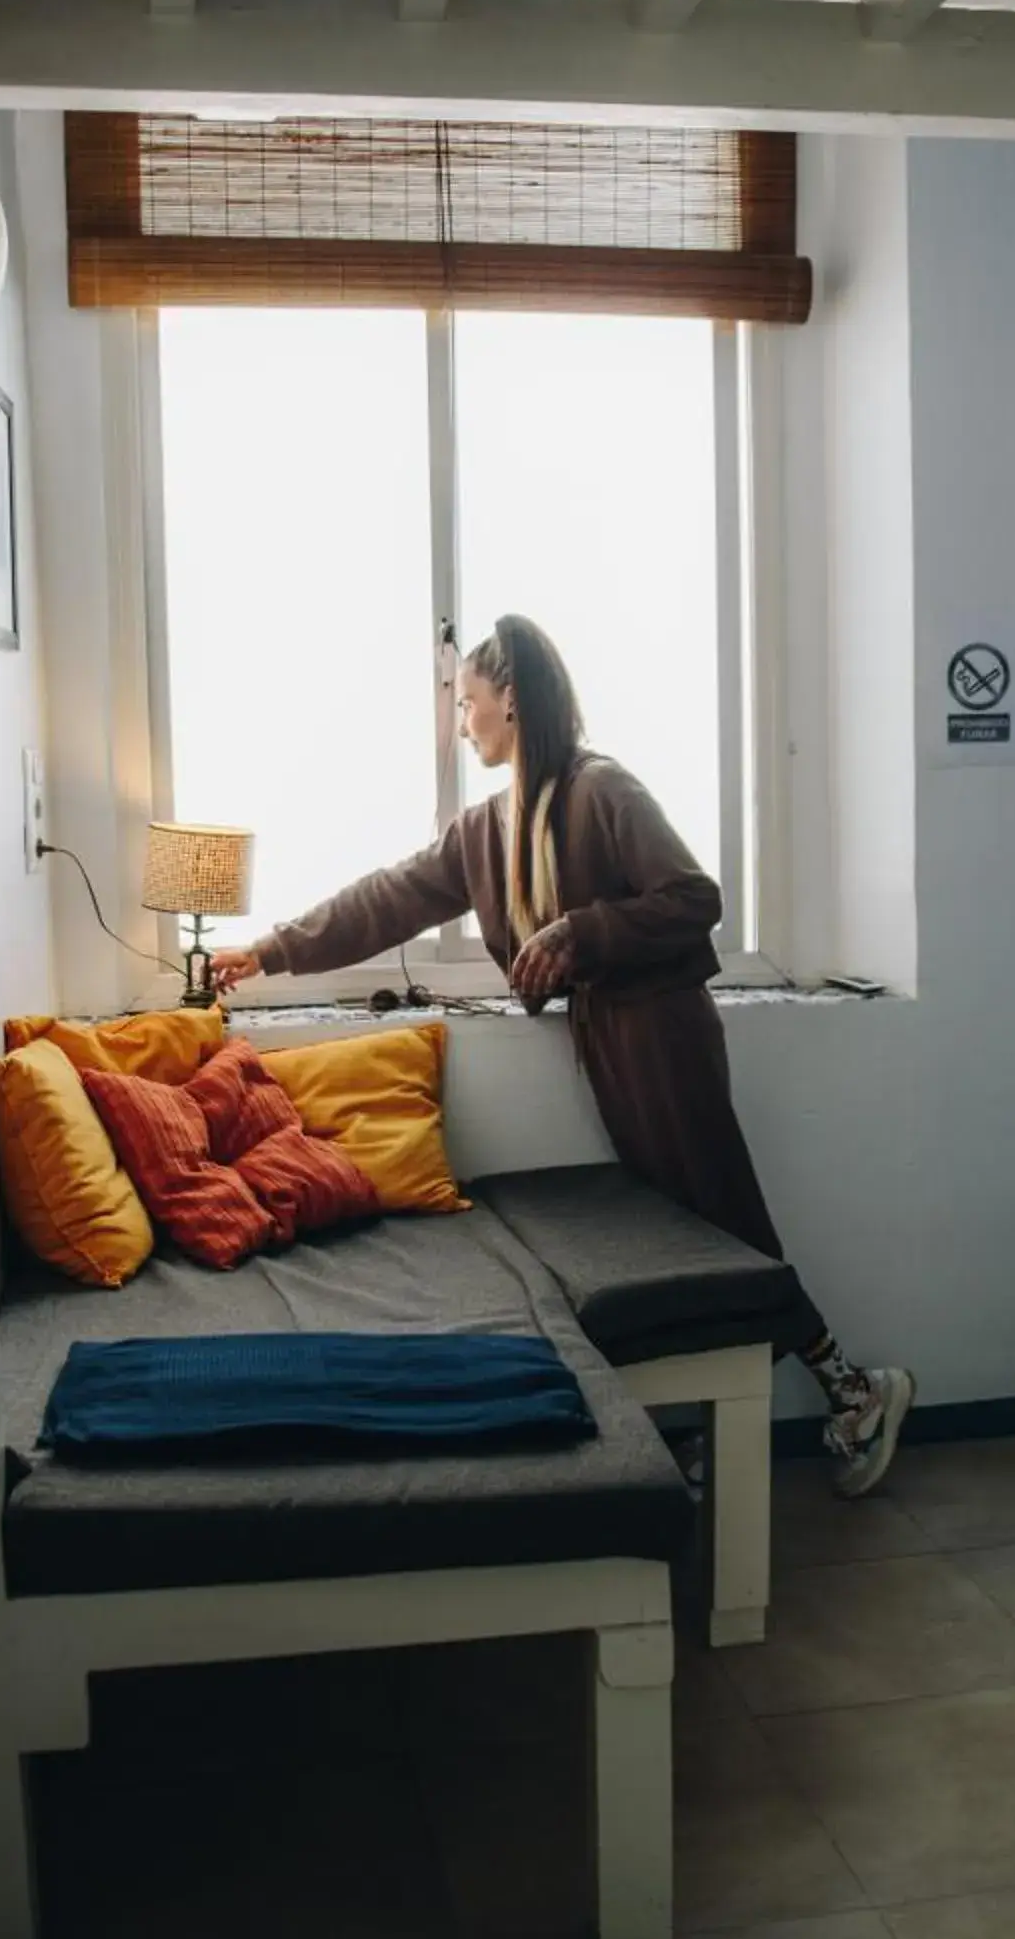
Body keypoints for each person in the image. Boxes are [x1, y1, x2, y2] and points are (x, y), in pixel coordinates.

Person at [211, 614, 915, 1494]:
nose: (460, 721)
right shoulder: (484, 829)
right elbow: (386, 899)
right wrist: (272, 948)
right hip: (604, 1039)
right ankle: (701, 1430)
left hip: (663, 1031)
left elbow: (696, 898)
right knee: (673, 1244)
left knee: (720, 1222)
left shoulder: (603, 788)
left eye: (467, 701)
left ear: (510, 699)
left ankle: (854, 1391)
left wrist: (585, 930)